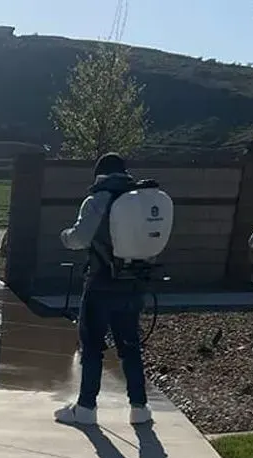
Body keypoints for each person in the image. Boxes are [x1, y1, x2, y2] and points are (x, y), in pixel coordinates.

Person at [54, 152, 152, 427]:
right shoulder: (140, 200)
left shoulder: (98, 199)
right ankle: (139, 408)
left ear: (98, 174)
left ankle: (85, 409)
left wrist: (65, 236)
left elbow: (80, 238)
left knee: (92, 346)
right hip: (133, 282)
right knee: (130, 345)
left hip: (101, 283)